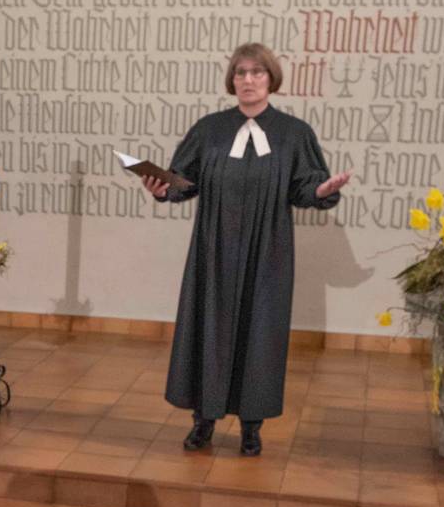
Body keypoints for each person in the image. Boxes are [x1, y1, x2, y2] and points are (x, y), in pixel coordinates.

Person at [141, 43, 352, 456]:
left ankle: (251, 426)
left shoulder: (294, 133)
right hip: (213, 249)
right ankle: (203, 420)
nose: (248, 80)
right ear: (231, 80)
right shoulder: (209, 129)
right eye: (240, 73)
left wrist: (321, 190)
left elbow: (304, 186)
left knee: (260, 335)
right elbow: (184, 181)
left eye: (257, 72)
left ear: (271, 78)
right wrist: (161, 187)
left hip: (267, 251)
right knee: (209, 330)